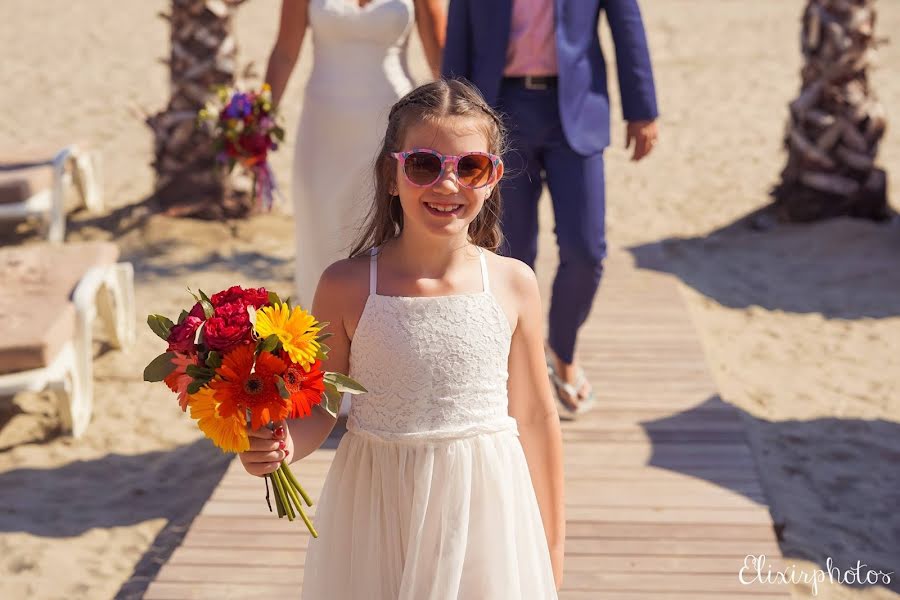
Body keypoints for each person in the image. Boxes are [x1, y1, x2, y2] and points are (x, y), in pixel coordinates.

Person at [239, 79, 565, 598]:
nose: (447, 184)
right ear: (392, 175)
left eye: (470, 167)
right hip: (377, 504)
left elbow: (536, 417)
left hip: (485, 505)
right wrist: (278, 446)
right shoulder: (345, 285)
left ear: (493, 178)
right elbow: (321, 407)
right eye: (423, 165)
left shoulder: (513, 283)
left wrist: (551, 548)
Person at [442, 0, 660, 419]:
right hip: (497, 111)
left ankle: (563, 351)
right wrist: (450, 121)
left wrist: (642, 109)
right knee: (509, 253)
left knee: (586, 251)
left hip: (575, 112)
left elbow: (626, 24)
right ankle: (514, 367)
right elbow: (458, 42)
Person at [264, 0, 446, 308]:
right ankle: (320, 341)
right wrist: (258, 118)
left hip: (393, 128)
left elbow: (440, 55)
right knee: (320, 231)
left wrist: (456, 128)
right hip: (323, 130)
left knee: (389, 229)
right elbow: (284, 53)